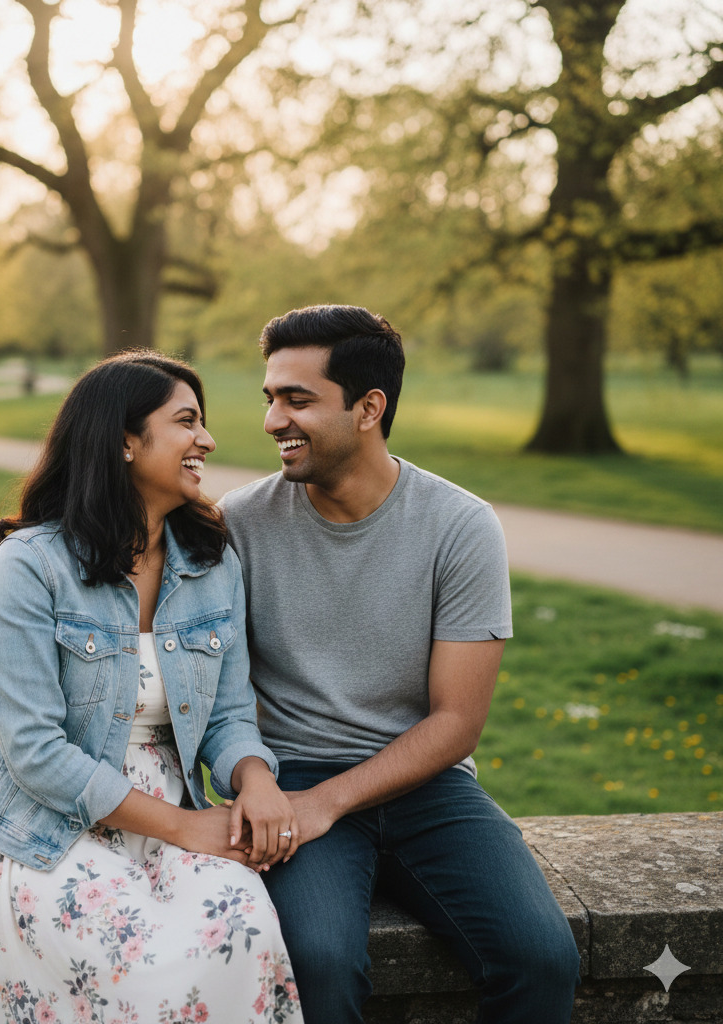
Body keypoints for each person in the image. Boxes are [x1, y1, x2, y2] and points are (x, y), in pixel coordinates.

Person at [220, 305, 580, 1024]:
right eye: (270, 398)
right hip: (294, 780)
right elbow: (223, 695)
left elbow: (456, 724)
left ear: (368, 408)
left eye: (298, 399)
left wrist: (331, 803)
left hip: (427, 785)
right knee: (317, 963)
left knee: (542, 958)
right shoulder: (239, 523)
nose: (272, 421)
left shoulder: (460, 525)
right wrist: (280, 789)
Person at [0, 351, 304, 1024]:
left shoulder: (211, 562)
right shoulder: (31, 567)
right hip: (42, 822)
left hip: (167, 808)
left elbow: (231, 711)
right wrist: (186, 827)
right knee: (138, 968)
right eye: (187, 421)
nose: (207, 441)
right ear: (124, 440)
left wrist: (255, 779)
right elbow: (34, 751)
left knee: (243, 920)